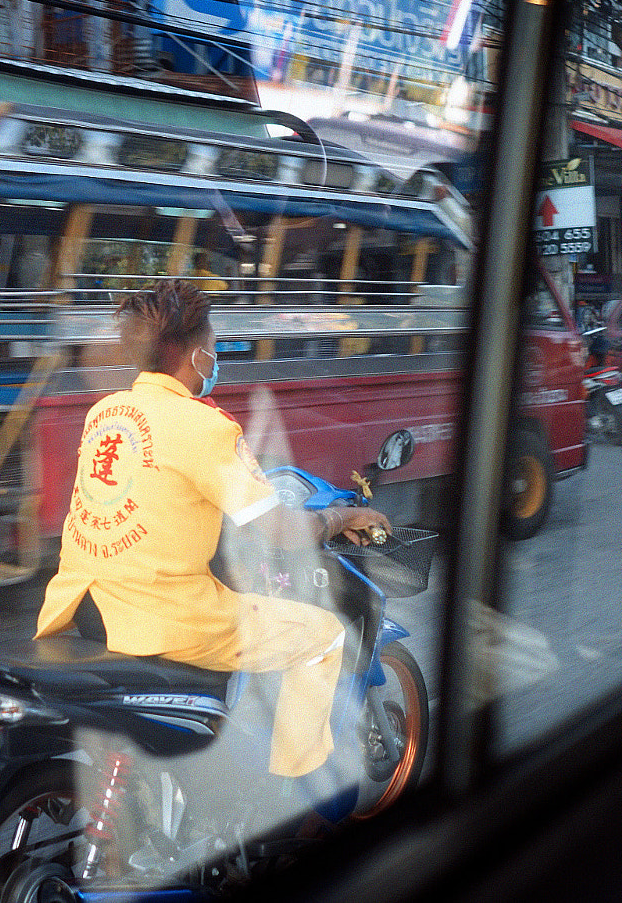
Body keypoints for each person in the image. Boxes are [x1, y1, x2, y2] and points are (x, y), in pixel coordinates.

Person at [34, 279, 391, 778]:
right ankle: (292, 792)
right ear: (192, 354)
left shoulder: (104, 412)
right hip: (162, 615)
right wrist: (340, 517)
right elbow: (279, 533)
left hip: (86, 604)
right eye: (213, 345)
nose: (216, 354)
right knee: (325, 634)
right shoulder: (207, 427)